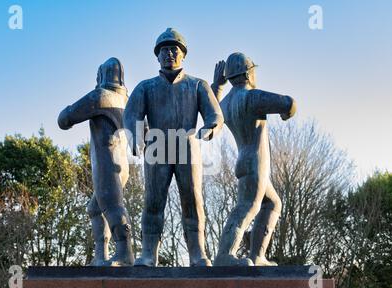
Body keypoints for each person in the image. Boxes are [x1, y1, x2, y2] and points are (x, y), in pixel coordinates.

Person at [123, 28, 224, 267]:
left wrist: (210, 128)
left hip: (188, 145)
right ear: (157, 56)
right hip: (156, 145)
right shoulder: (145, 87)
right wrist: (136, 136)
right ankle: (148, 253)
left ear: (183, 55)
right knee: (153, 201)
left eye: (174, 49)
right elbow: (131, 114)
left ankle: (197, 253)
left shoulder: (198, 85)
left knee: (192, 200)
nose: (169, 54)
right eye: (164, 50)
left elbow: (215, 115)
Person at [211, 53, 297, 266]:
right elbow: (289, 103)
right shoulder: (252, 97)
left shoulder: (226, 104)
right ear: (249, 73)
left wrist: (217, 86)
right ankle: (224, 255)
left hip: (245, 159)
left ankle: (257, 255)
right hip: (256, 162)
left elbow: (210, 112)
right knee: (248, 206)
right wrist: (287, 114)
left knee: (273, 203)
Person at [58, 57, 134, 266]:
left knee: (112, 206)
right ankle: (101, 255)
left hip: (106, 163)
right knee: (95, 208)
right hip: (122, 166)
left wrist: (68, 111)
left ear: (101, 76)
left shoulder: (100, 96)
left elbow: (65, 119)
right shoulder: (127, 101)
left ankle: (124, 251)